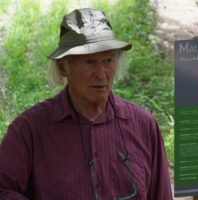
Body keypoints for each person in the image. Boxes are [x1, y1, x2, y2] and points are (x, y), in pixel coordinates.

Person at [0, 8, 173, 200]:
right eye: (89, 62)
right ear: (63, 66)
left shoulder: (143, 125)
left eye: (108, 61)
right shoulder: (30, 130)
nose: (101, 74)